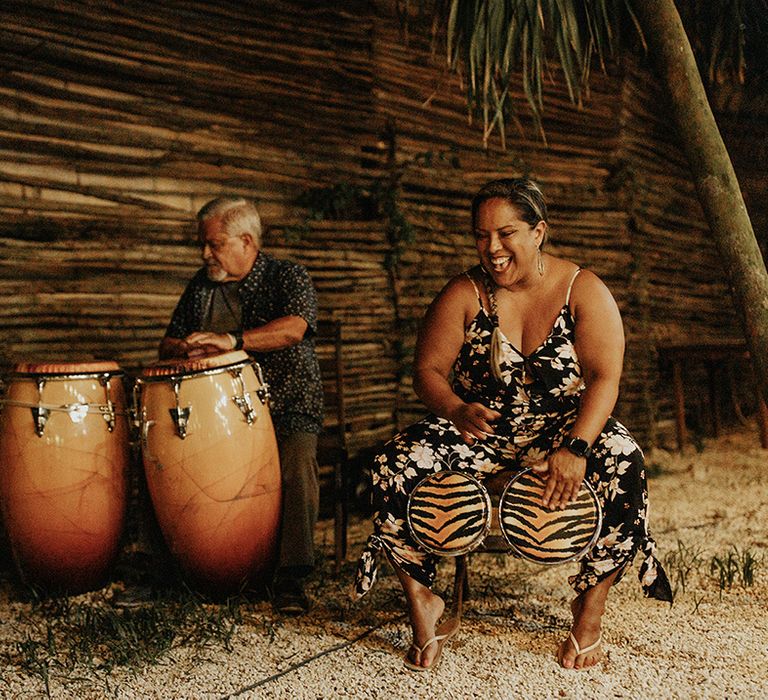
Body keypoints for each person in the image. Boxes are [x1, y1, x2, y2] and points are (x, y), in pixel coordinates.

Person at [355, 178, 672, 671]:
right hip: (481, 430)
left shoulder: (582, 290)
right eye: (481, 236)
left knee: (624, 460)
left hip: (562, 429)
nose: (492, 249)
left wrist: (577, 447)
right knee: (391, 464)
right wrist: (456, 409)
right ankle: (423, 601)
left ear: (539, 231)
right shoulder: (464, 292)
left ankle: (589, 612)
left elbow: (605, 379)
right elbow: (427, 373)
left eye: (506, 234)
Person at [160, 196, 323, 615]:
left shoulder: (288, 276)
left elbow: (294, 328)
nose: (205, 254)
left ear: (246, 241)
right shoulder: (201, 286)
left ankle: (291, 578)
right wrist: (186, 346)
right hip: (217, 414)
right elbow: (168, 341)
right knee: (158, 453)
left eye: (214, 244)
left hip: (286, 403)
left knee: (296, 464)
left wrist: (230, 342)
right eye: (204, 245)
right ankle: (167, 567)